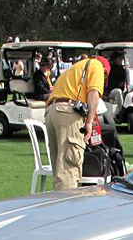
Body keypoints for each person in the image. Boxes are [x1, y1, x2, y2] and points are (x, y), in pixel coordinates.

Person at [45, 55, 105, 190]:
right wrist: (89, 122)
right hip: (68, 114)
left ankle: (57, 204)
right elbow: (93, 93)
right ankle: (68, 208)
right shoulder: (97, 66)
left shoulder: (76, 68)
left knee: (59, 168)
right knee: (68, 169)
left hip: (52, 111)